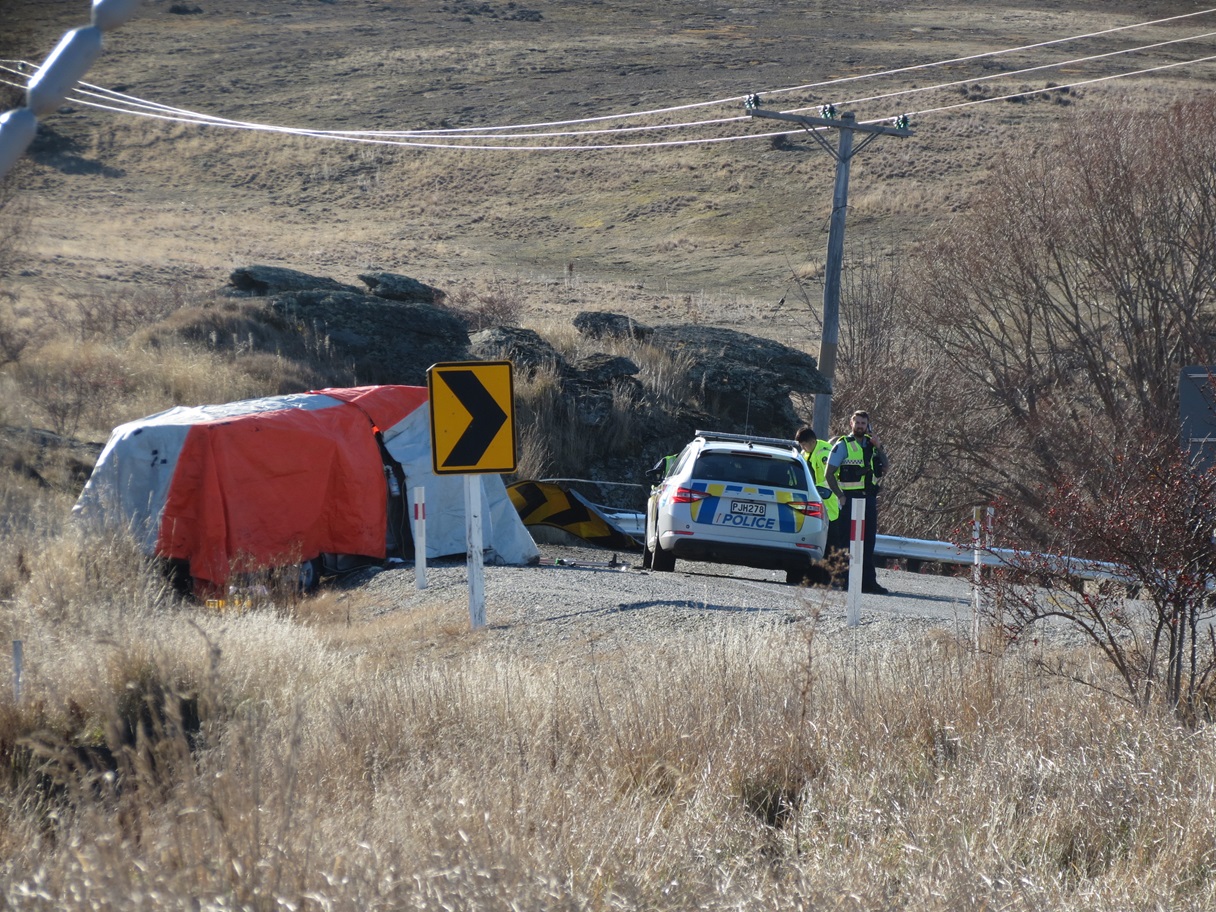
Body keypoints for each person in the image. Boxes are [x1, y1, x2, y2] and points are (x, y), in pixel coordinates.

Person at [826, 410, 889, 595]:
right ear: (851, 424)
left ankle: (869, 583)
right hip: (850, 499)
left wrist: (879, 447)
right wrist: (840, 495)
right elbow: (828, 474)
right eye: (858, 422)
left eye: (863, 423)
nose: (860, 426)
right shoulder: (843, 445)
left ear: (867, 425)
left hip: (868, 499)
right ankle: (845, 582)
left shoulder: (871, 445)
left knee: (868, 542)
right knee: (848, 542)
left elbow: (885, 468)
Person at [794, 425, 843, 586]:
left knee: (830, 546)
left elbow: (830, 479)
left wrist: (814, 490)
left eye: (804, 444)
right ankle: (815, 578)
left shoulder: (824, 453)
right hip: (815, 506)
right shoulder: (806, 452)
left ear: (812, 441)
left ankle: (830, 580)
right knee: (816, 544)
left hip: (829, 506)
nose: (803, 448)